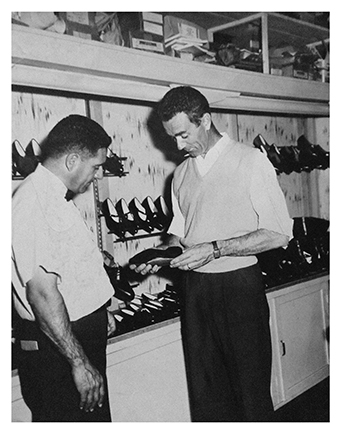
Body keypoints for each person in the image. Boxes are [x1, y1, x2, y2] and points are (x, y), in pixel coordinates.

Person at [130, 86, 293, 422]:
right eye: (171, 137)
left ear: (205, 120)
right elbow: (180, 235)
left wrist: (216, 249)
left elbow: (279, 233)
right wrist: (160, 255)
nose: (177, 146)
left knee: (250, 395)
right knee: (207, 397)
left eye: (182, 134)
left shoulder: (251, 161)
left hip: (239, 288)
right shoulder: (181, 175)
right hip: (195, 293)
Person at [12, 114, 116, 422]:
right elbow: (42, 293)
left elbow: (66, 270)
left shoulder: (54, 198)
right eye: (96, 167)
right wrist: (79, 363)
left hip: (73, 339)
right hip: (59, 353)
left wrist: (98, 310)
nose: (97, 176)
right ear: (72, 160)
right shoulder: (34, 203)